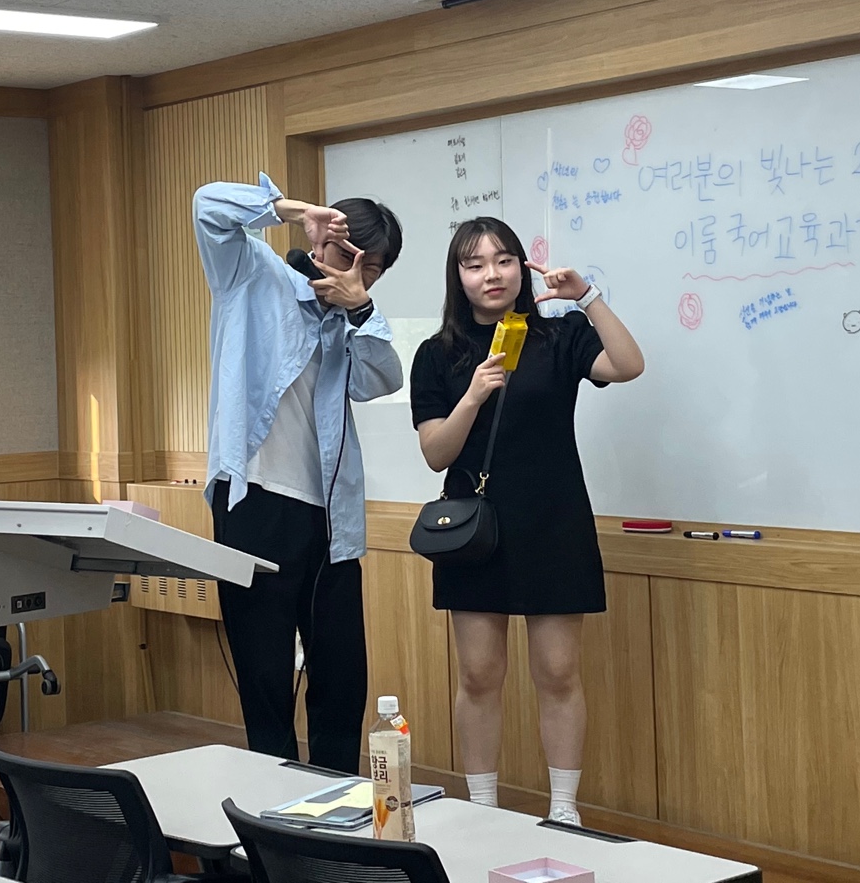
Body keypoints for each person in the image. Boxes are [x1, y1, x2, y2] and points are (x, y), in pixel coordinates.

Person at [409, 217, 644, 824]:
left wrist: (586, 296)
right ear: (458, 277)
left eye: (504, 260)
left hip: (554, 522)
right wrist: (473, 395)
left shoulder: (560, 336)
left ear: (522, 268)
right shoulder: (437, 354)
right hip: (473, 532)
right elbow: (436, 453)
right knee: (479, 674)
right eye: (475, 264)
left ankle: (564, 809)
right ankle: (483, 807)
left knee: (559, 673)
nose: (492, 274)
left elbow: (628, 365)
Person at [195, 173, 403, 774]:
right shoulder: (253, 274)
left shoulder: (352, 319)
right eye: (346, 254)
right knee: (264, 674)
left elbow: (382, 379)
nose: (354, 272)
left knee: (342, 676)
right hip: (256, 503)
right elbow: (207, 205)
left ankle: (338, 803)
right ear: (321, 239)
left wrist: (359, 306)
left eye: (371, 269)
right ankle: (271, 808)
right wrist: (289, 209)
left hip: (330, 519)